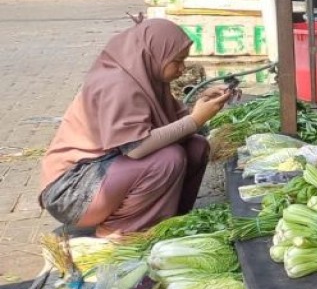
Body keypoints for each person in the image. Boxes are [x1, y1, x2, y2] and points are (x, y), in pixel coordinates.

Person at [39, 20, 233, 237]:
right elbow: (136, 147)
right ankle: (120, 233)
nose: (182, 69)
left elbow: (171, 125)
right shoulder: (117, 84)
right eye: (177, 61)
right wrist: (195, 120)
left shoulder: (144, 75)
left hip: (107, 172)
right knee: (169, 159)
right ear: (153, 54)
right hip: (73, 191)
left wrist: (200, 105)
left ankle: (168, 222)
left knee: (195, 146)